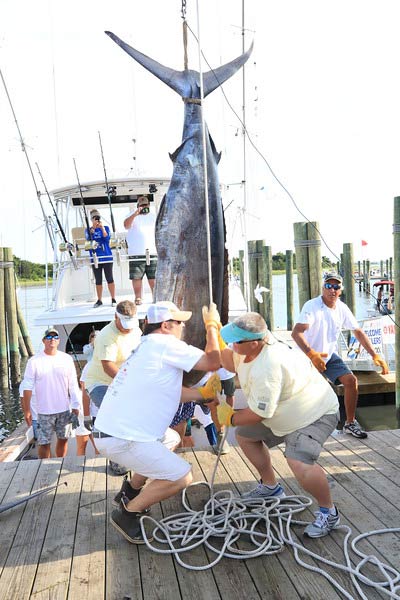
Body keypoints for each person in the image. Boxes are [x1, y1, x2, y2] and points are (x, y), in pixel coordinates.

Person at [93, 300, 221, 544]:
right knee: (182, 476)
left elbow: (171, 390)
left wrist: (203, 395)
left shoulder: (146, 346)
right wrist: (212, 326)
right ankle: (128, 514)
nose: (183, 327)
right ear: (165, 325)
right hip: (122, 438)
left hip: (110, 433)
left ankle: (130, 491)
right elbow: (213, 362)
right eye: (180, 323)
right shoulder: (164, 343)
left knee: (171, 437)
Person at [216, 312, 341, 539]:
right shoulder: (251, 347)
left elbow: (258, 413)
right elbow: (226, 361)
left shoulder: (268, 367)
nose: (231, 345)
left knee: (298, 461)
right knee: (245, 436)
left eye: (235, 341)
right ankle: (270, 487)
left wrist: (230, 418)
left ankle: (329, 512)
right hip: (285, 411)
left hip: (315, 413)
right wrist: (212, 333)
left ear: (254, 343)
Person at [292, 272, 389, 439]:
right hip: (306, 357)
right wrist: (311, 354)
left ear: (341, 290)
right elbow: (296, 333)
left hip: (328, 356)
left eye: (336, 286)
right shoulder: (312, 305)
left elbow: (357, 332)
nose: (332, 290)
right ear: (323, 287)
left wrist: (375, 355)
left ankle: (350, 423)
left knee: (351, 381)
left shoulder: (342, 308)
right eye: (329, 286)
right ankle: (300, 428)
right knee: (307, 394)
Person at [84, 300, 142, 472]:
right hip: (99, 383)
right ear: (116, 317)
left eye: (131, 323)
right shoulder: (105, 336)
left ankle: (134, 454)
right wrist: (130, 382)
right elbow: (108, 367)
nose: (128, 328)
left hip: (126, 381)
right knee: (117, 412)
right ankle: (116, 458)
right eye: (125, 323)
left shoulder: (136, 330)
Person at [22, 327, 81, 459]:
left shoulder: (66, 359)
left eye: (55, 337)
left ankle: (59, 463)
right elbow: (27, 387)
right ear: (43, 340)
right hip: (43, 412)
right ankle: (44, 468)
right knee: (44, 443)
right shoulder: (34, 362)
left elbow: (73, 384)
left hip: (64, 410)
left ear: (59, 340)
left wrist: (76, 405)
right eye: (49, 337)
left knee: (63, 439)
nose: (52, 340)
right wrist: (27, 411)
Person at [123, 196, 157, 305]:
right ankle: (138, 297)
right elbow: (126, 225)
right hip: (136, 253)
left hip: (152, 252)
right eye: (141, 205)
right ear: (138, 206)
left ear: (149, 205)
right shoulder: (132, 215)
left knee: (153, 277)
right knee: (136, 277)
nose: (144, 207)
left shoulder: (154, 216)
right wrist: (135, 214)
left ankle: (155, 296)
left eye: (145, 205)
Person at [86, 208, 116, 308]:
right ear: (91, 219)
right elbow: (89, 239)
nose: (96, 220)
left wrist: (102, 228)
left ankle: (113, 298)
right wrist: (93, 228)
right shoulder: (88, 230)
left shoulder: (106, 227)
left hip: (107, 257)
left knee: (110, 278)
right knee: (98, 280)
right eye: (94, 218)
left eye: (97, 217)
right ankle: (99, 300)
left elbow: (107, 238)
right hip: (96, 259)